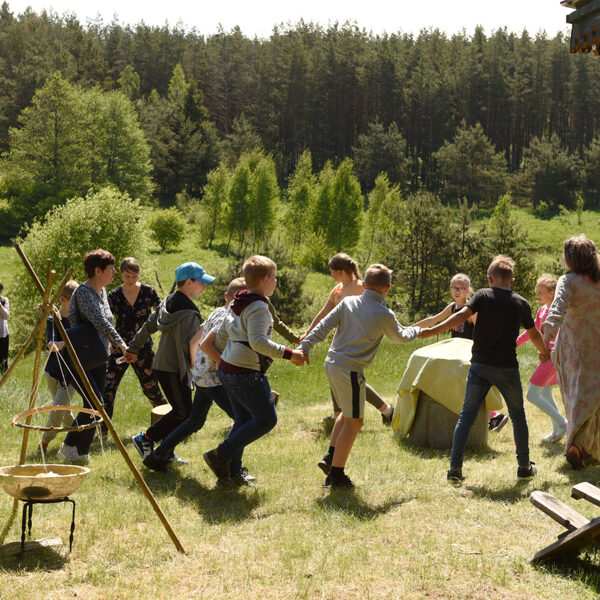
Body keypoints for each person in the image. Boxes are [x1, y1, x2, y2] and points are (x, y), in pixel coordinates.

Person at [419, 255, 547, 483]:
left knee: (466, 416)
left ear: (490, 279)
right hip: (507, 367)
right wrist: (544, 352)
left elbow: (459, 315)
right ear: (512, 281)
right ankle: (524, 467)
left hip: (479, 365)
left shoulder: (482, 296)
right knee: (518, 416)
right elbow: (534, 333)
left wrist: (431, 331)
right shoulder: (521, 302)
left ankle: (455, 470)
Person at [300, 264, 420, 489]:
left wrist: (305, 345)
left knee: (347, 415)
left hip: (331, 364)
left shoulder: (347, 302)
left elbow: (324, 325)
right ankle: (336, 475)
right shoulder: (384, 314)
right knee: (355, 422)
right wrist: (417, 330)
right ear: (387, 288)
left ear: (364, 285)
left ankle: (330, 457)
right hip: (350, 370)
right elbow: (401, 338)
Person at [203, 255, 305, 487]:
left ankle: (231, 472)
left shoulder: (237, 302)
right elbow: (259, 343)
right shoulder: (259, 307)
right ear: (265, 279)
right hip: (244, 373)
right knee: (266, 420)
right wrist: (291, 354)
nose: (276, 282)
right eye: (275, 277)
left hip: (227, 370)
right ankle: (220, 456)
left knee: (243, 420)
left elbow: (222, 337)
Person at [142, 276, 247, 473]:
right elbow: (206, 344)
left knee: (195, 420)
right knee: (243, 419)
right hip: (213, 378)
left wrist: (196, 362)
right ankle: (232, 467)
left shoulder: (217, 311)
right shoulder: (229, 316)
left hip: (201, 375)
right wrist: (223, 363)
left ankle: (158, 455)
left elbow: (198, 336)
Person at [128, 262, 214, 463]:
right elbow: (192, 345)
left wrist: (133, 348)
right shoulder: (191, 313)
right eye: (201, 282)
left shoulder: (167, 302)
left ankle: (166, 450)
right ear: (189, 282)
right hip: (175, 369)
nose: (204, 287)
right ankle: (145, 439)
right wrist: (196, 366)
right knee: (183, 413)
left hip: (163, 366)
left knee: (183, 412)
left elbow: (148, 326)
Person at [302, 253, 395, 426]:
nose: (331, 275)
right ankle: (340, 414)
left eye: (332, 271)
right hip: (341, 338)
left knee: (351, 381)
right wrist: (308, 333)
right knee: (336, 374)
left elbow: (376, 310)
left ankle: (385, 410)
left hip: (359, 341)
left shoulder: (362, 287)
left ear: (340, 271)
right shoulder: (337, 290)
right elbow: (324, 313)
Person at [413, 273, 509, 433]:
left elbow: (484, 329)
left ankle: (493, 415)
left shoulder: (470, 310)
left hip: (468, 353)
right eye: (454, 287)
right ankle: (486, 416)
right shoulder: (452, 307)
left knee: (469, 386)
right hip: (455, 352)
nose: (457, 291)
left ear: (468, 290)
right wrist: (412, 328)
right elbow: (433, 319)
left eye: (461, 288)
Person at [59, 250, 128, 462]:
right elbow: (100, 322)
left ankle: (81, 450)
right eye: (111, 269)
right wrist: (122, 344)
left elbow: (107, 321)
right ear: (98, 271)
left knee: (98, 404)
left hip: (99, 355)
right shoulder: (83, 292)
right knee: (95, 402)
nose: (115, 272)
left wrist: (110, 345)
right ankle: (69, 445)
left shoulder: (102, 291)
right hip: (79, 356)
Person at [541, 236, 600, 469]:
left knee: (577, 397)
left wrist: (545, 340)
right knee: (593, 400)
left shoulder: (569, 280)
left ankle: (577, 447)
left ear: (570, 258)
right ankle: (585, 448)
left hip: (574, 350)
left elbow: (556, 310)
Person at [104, 257, 166, 429]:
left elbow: (162, 314)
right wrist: (110, 343)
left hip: (143, 348)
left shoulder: (148, 292)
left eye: (134, 276)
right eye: (127, 276)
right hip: (119, 348)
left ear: (139, 274)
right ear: (121, 275)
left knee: (152, 388)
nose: (131, 280)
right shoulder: (113, 296)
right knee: (108, 389)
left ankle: (168, 424)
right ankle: (102, 429)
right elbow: (106, 322)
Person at [516, 274, 566, 443]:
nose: (537, 294)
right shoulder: (542, 311)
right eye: (537, 291)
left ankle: (563, 423)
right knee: (545, 393)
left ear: (552, 293)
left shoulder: (559, 312)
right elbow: (531, 333)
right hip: (546, 357)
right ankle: (556, 431)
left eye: (541, 291)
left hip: (553, 358)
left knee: (531, 395)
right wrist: (513, 344)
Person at [41, 280, 78, 452]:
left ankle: (43, 444)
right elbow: (51, 345)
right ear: (63, 300)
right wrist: (68, 342)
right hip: (52, 371)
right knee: (64, 410)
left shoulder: (78, 320)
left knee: (57, 411)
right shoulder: (53, 319)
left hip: (70, 373)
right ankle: (80, 435)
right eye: (73, 301)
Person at [0, 280, 9, 374]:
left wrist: (0, 306)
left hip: (3, 334)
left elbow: (6, 316)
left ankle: (4, 379)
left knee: (4, 359)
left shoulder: (4, 300)